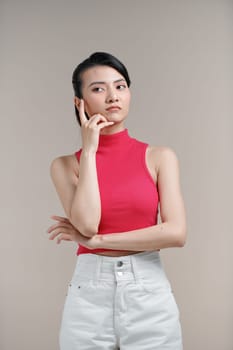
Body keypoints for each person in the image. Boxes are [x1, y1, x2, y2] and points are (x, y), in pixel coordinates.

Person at [47, 52, 187, 350]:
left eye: (120, 86)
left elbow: (175, 233)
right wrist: (89, 152)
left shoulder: (159, 157)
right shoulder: (65, 165)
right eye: (98, 88)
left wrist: (98, 242)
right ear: (79, 102)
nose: (113, 96)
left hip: (148, 290)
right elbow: (87, 223)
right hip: (89, 296)